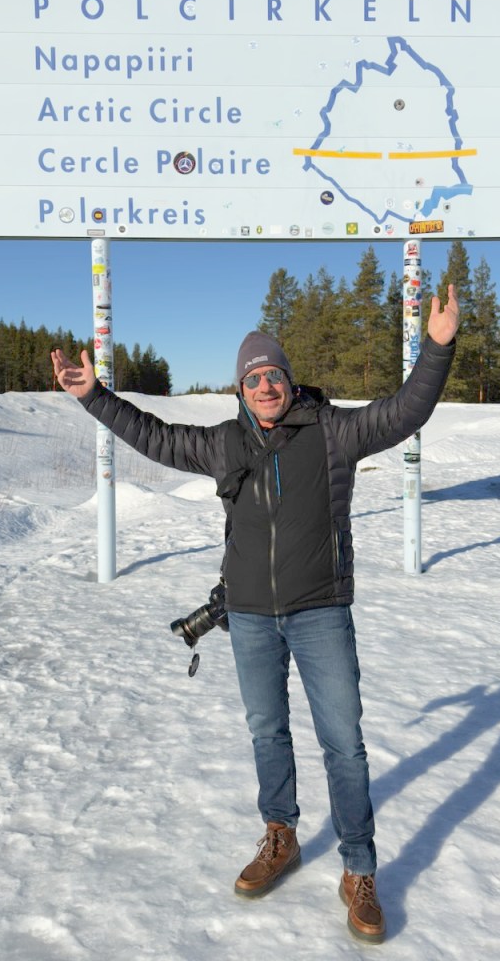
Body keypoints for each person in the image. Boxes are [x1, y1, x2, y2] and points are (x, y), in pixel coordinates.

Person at [51, 285, 458, 943]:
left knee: (344, 745)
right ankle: (281, 835)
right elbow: (151, 436)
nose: (265, 386)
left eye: (274, 375)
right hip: (246, 616)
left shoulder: (334, 434)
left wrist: (437, 348)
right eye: (253, 379)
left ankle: (358, 869)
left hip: (320, 611)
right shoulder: (222, 445)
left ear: (290, 383)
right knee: (267, 733)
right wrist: (91, 396)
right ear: (239, 390)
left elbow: (407, 411)